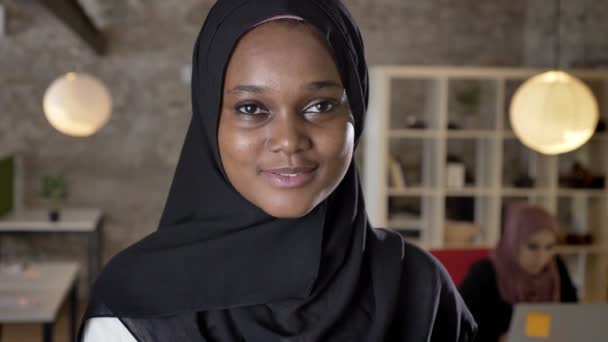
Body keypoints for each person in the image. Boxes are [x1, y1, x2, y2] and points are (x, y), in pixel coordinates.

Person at [79, 0, 477, 341]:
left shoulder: (419, 289)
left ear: (356, 112)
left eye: (320, 106)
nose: (289, 140)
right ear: (209, 122)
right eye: (252, 109)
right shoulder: (133, 303)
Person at [459, 204, 578, 342]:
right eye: (532, 247)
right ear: (513, 242)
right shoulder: (484, 273)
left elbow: (573, 315)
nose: (542, 257)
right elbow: (459, 327)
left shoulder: (556, 268)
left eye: (549, 247)